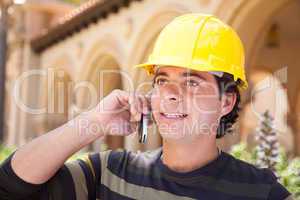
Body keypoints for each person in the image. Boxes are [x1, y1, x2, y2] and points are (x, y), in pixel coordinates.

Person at [0, 13, 292, 200]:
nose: (171, 94)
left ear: (226, 101)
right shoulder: (110, 173)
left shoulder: (262, 192)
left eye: (192, 82)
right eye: (163, 80)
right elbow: (10, 186)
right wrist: (93, 122)